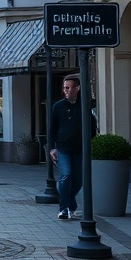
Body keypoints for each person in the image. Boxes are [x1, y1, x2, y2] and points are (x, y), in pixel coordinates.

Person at [49, 75, 96, 220]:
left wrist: (91, 144)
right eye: (65, 88)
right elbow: (52, 128)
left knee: (78, 180)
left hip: (80, 149)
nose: (67, 91)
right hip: (63, 148)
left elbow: (92, 127)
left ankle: (69, 202)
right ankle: (64, 209)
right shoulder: (58, 106)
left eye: (69, 88)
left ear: (77, 88)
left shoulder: (84, 106)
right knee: (66, 175)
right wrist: (52, 148)